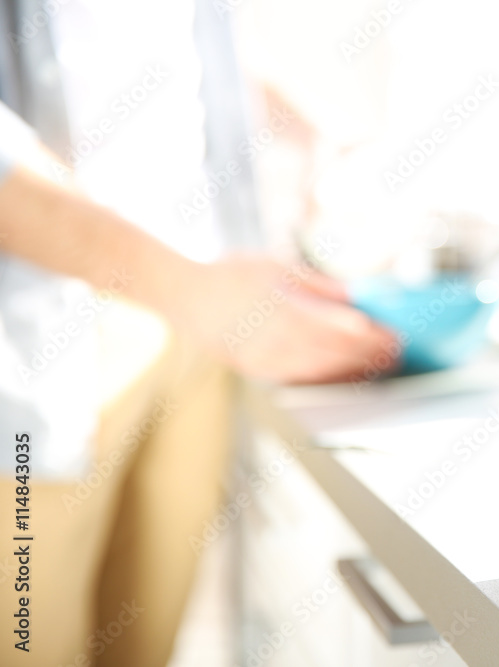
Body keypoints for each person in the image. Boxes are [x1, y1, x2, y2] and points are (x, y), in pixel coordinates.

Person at [0, 1, 395, 664]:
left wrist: (297, 119)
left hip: (198, 328)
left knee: (144, 646)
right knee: (27, 638)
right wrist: (187, 288)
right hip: (41, 345)